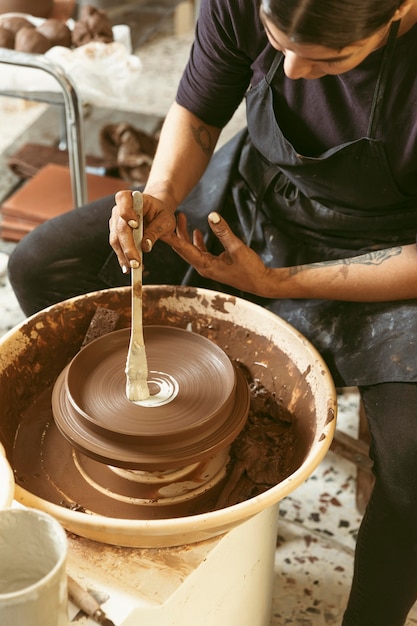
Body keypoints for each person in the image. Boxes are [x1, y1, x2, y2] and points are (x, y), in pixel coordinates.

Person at [7, 0, 417, 623]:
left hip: (392, 250)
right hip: (259, 197)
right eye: (278, 46)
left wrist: (276, 282)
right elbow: (199, 112)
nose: (294, 72)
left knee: (415, 465)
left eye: (330, 59)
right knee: (43, 262)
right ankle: (194, 450)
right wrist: (161, 197)